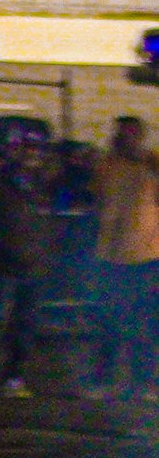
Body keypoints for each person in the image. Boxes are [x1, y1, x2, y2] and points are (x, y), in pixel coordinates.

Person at [86, 114, 159, 400]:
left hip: (146, 256)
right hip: (110, 255)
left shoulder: (151, 164)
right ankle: (105, 381)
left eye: (130, 134)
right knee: (109, 322)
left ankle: (143, 383)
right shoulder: (107, 165)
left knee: (145, 323)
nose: (124, 139)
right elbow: (95, 197)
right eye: (121, 133)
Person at [0, 130, 60, 397]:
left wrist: (44, 252)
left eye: (36, 148)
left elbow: (49, 222)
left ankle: (13, 377)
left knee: (25, 326)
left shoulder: (43, 183)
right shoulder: (0, 181)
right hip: (5, 265)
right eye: (28, 148)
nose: (32, 153)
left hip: (34, 265)